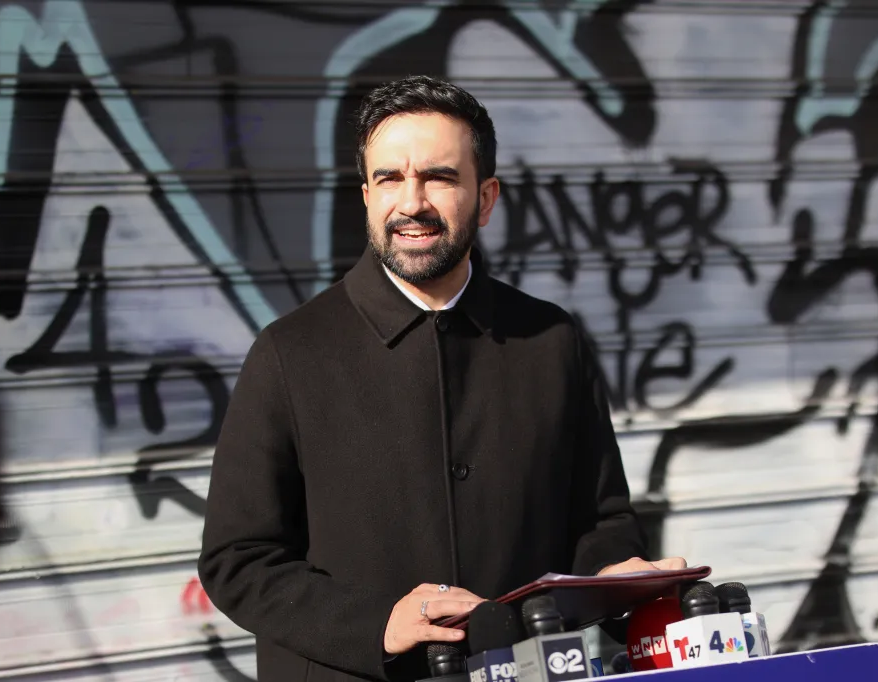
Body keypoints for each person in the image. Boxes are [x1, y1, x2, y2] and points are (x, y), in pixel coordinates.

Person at [198, 75, 686, 682]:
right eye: (390, 179)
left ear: (485, 198)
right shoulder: (288, 353)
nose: (412, 203)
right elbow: (237, 560)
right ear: (367, 196)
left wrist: (610, 581)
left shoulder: (552, 340)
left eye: (439, 176)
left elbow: (601, 521)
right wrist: (378, 623)